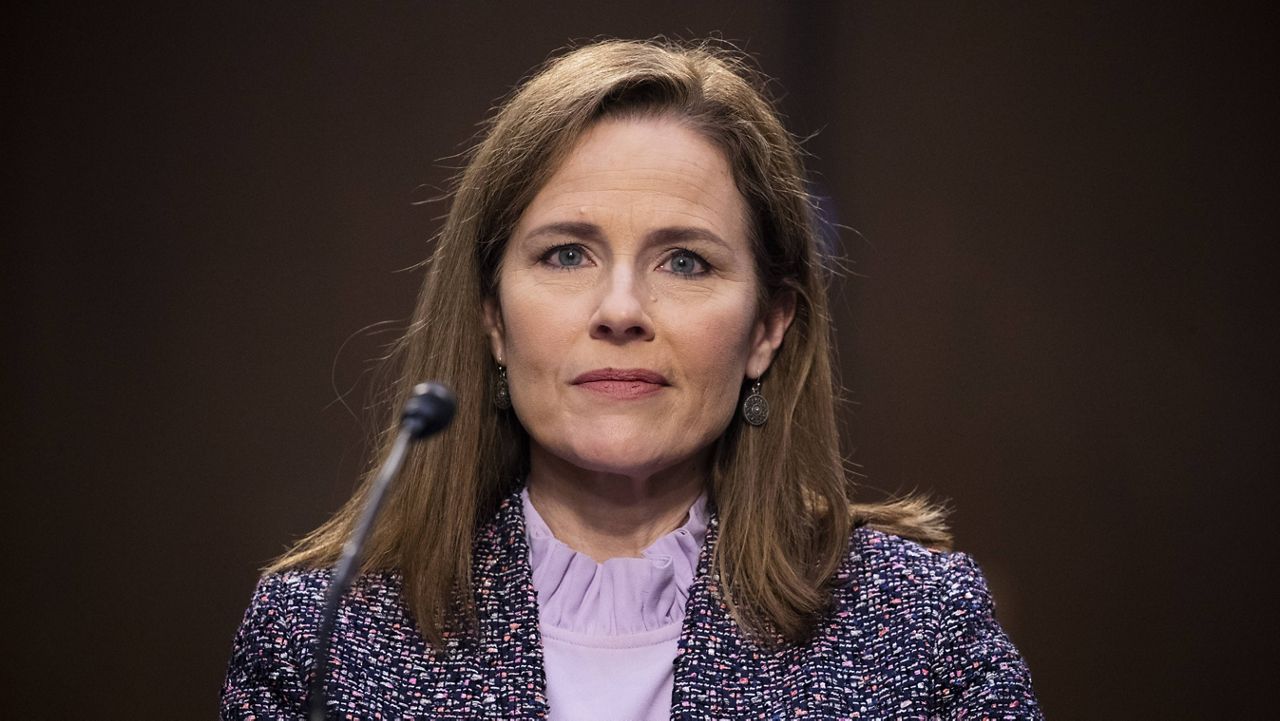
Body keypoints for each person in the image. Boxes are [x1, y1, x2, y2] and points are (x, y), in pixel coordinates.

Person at [220, 39, 1042, 720]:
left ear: (768, 327)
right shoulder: (321, 636)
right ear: (493, 318)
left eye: (685, 261)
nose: (621, 309)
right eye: (567, 253)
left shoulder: (918, 627)